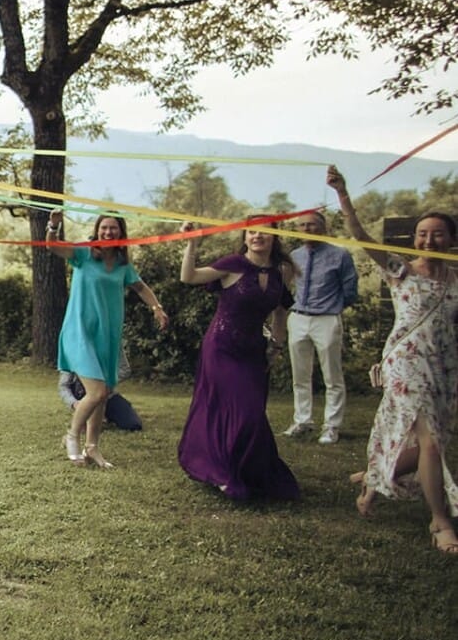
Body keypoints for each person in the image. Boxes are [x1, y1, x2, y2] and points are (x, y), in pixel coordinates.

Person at [328, 167, 458, 555]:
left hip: (445, 368)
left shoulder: (456, 280)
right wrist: (343, 194)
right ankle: (440, 522)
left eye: (437, 234)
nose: (429, 240)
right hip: (406, 365)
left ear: (451, 239)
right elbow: (361, 236)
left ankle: (374, 478)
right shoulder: (400, 271)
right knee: (430, 442)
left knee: (435, 441)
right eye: (422, 233)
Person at [177, 219, 301, 501]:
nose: (257, 236)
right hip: (221, 348)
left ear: (274, 238)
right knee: (240, 410)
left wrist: (276, 346)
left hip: (254, 351)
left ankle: (246, 471)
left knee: (253, 411)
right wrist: (192, 244)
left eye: (264, 232)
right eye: (252, 231)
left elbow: (281, 312)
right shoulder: (233, 264)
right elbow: (189, 277)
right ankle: (221, 472)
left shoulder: (282, 271)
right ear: (245, 237)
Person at [46, 210, 169, 468]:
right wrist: (53, 226)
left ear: (121, 232)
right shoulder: (83, 254)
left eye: (113, 228)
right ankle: (72, 437)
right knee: (97, 391)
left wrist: (156, 308)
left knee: (103, 395)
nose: (108, 232)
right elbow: (53, 246)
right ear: (97, 230)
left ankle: (92, 448)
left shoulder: (123, 265)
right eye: (104, 228)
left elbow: (140, 287)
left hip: (107, 335)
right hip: (80, 331)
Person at [283, 211, 359, 444]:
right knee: (300, 375)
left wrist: (333, 307)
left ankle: (331, 426)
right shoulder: (295, 255)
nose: (307, 229)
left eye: (312, 225)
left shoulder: (340, 255)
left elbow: (350, 290)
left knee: (332, 376)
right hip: (298, 317)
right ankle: (302, 421)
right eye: (302, 225)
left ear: (323, 228)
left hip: (326, 319)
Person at [58, 370, 143, 432]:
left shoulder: (113, 349)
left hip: (108, 395)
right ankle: (84, 417)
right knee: (85, 428)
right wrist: (74, 403)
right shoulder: (74, 353)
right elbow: (64, 386)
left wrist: (105, 383)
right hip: (82, 395)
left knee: (133, 425)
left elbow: (124, 370)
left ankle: (104, 416)